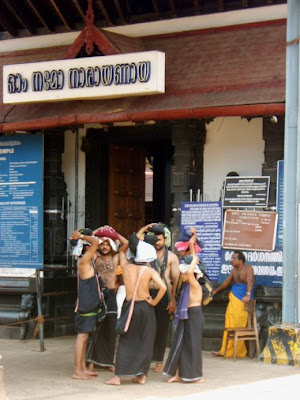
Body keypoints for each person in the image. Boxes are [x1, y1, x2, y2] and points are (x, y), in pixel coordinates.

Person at [106, 236, 167, 386]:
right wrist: (153, 301)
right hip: (146, 307)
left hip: (130, 306)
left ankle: (118, 377)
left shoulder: (126, 267)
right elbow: (164, 288)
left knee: (126, 340)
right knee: (145, 341)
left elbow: (121, 250)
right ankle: (141, 376)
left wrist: (132, 241)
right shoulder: (149, 271)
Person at [86, 225, 128, 373]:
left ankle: (109, 362)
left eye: (107, 244)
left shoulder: (116, 258)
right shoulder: (94, 256)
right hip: (97, 295)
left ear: (111, 246)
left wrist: (113, 233)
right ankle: (91, 361)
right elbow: (90, 239)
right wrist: (98, 231)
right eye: (102, 244)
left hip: (111, 295)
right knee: (95, 328)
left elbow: (126, 243)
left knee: (111, 328)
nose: (104, 247)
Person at [140, 223, 180, 372]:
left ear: (166, 240)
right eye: (154, 239)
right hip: (146, 294)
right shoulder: (144, 255)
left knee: (162, 328)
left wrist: (173, 300)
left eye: (160, 239)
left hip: (164, 296)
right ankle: (145, 359)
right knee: (146, 328)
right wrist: (144, 229)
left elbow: (175, 280)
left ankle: (158, 361)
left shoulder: (172, 257)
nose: (157, 242)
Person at [163, 255, 204, 384]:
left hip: (194, 316)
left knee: (192, 345)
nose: (182, 274)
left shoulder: (195, 284)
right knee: (180, 344)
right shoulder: (186, 285)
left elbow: (191, 271)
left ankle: (196, 376)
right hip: (186, 316)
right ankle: (178, 375)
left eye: (184, 272)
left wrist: (194, 260)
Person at [70, 229, 103, 380]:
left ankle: (82, 368)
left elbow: (96, 242)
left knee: (85, 337)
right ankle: (78, 371)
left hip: (89, 305)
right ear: (86, 247)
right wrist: (81, 236)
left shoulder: (87, 260)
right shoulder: (84, 260)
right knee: (82, 337)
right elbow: (95, 242)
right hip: (86, 306)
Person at [211, 250, 255, 358]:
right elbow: (226, 282)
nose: (231, 260)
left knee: (237, 325)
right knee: (229, 324)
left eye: (234, 258)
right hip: (234, 299)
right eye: (231, 258)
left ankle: (237, 351)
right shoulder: (234, 270)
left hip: (243, 300)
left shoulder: (248, 268)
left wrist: (248, 294)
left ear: (240, 260)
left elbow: (250, 281)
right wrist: (215, 291)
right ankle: (224, 350)